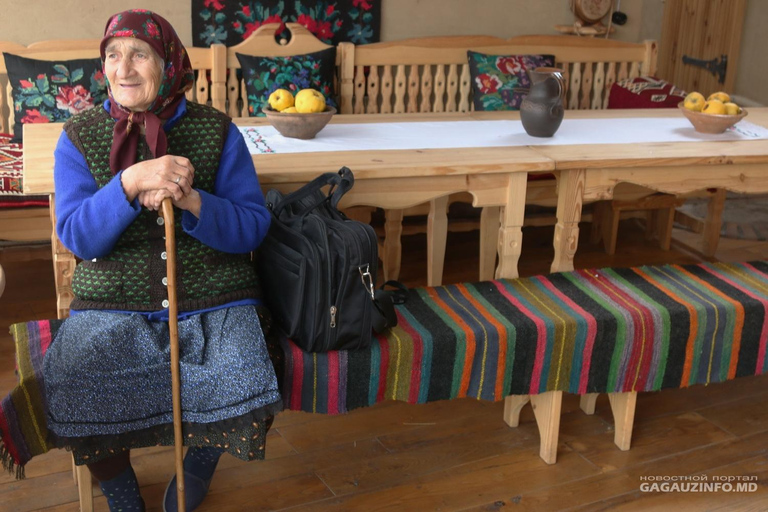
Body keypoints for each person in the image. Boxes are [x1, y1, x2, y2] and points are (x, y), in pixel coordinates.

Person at [42, 9, 281, 512]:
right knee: (70, 377)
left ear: (168, 63)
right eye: (112, 55)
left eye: (139, 54)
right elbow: (79, 237)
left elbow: (252, 225)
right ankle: (121, 488)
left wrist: (194, 201)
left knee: (245, 365)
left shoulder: (218, 132)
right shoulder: (78, 137)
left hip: (212, 293)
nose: (123, 68)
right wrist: (129, 183)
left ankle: (196, 464)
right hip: (113, 300)